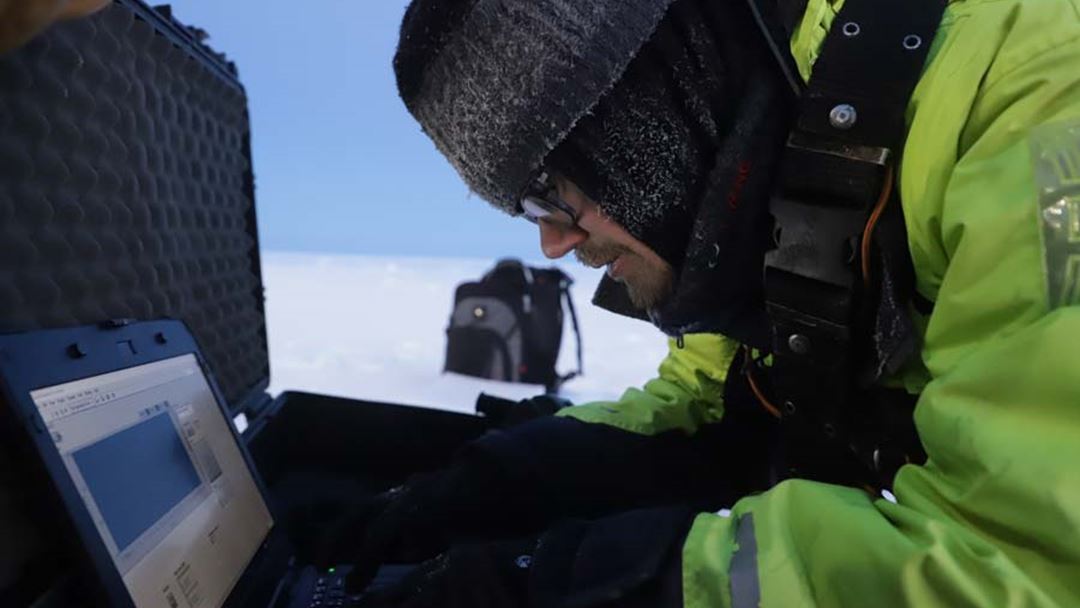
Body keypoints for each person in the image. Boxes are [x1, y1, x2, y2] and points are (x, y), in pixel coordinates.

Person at [324, 0, 1080, 605]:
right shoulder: (764, 199)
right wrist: (506, 477)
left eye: (549, 194)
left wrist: (623, 581)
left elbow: (1031, 567)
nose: (553, 245)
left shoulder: (1035, 97)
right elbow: (709, 400)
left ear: (641, 116)